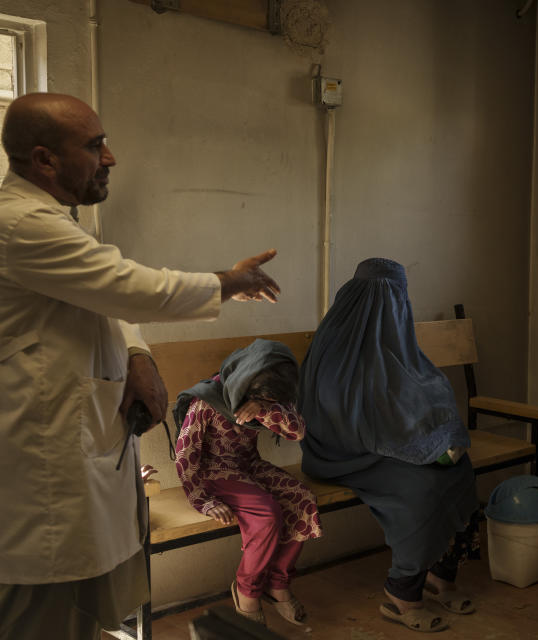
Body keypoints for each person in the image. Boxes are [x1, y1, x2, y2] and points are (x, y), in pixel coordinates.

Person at [0, 93, 283, 640]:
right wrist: (233, 280)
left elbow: (99, 297)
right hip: (41, 471)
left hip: (81, 451)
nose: (110, 157)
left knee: (79, 614)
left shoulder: (52, 222)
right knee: (41, 616)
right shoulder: (21, 226)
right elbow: (130, 288)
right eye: (95, 144)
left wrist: (136, 354)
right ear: (44, 160)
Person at [298, 258, 481, 633]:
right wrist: (411, 445)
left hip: (388, 448)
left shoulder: (395, 342)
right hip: (345, 453)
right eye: (389, 298)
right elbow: (335, 416)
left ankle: (440, 576)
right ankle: (402, 593)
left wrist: (440, 440)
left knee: (460, 472)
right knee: (423, 488)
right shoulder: (336, 343)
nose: (395, 306)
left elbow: (420, 390)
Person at [173, 339, 322, 627]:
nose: (267, 406)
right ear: (243, 380)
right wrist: (203, 501)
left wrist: (265, 408)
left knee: (303, 500)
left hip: (248, 465)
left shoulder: (271, 394)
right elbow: (185, 454)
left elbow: (298, 432)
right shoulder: (207, 400)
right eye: (263, 400)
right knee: (267, 516)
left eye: (272, 401)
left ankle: (277, 583)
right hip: (214, 472)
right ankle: (247, 592)